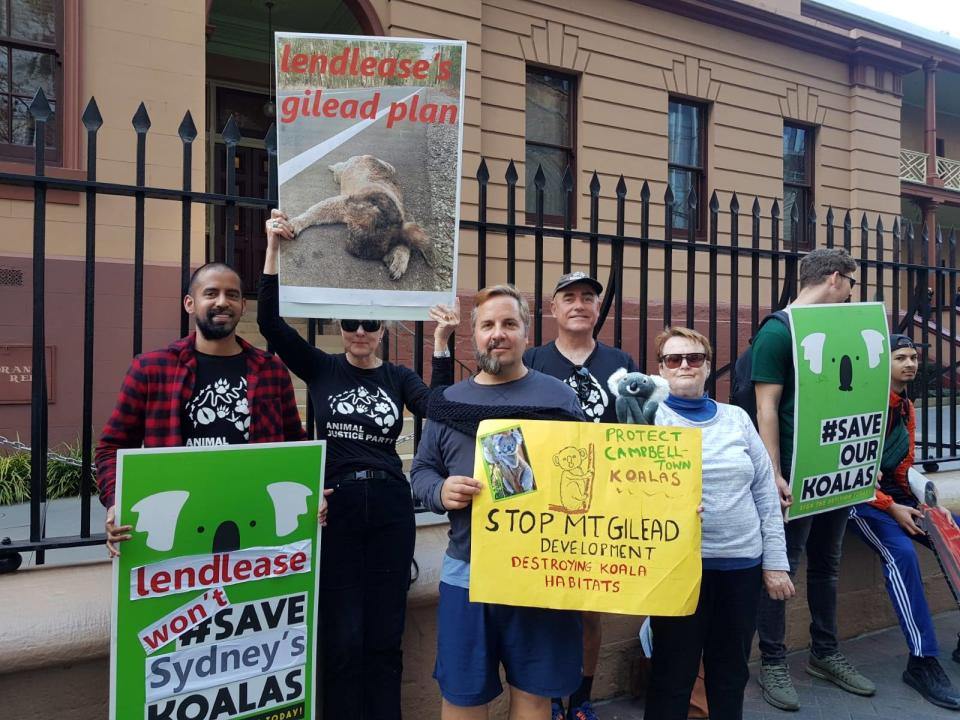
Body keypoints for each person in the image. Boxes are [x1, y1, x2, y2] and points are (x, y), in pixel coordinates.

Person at [260, 209, 459, 720]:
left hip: (391, 505)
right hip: (339, 505)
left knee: (384, 635)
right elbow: (268, 323)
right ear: (341, 327)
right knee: (344, 636)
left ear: (382, 329)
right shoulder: (322, 368)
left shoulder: (396, 376)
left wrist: (440, 346)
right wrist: (273, 249)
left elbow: (438, 408)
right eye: (351, 323)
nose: (360, 332)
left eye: (370, 324)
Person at [411, 283, 586, 720]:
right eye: (488, 324)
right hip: (468, 572)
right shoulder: (448, 402)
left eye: (509, 323)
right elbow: (421, 473)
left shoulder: (559, 398)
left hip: (541, 571)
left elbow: (593, 476)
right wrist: (440, 491)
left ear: (527, 333)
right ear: (474, 335)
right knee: (464, 694)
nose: (498, 333)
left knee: (534, 693)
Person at [95, 261, 312, 556]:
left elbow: (294, 442)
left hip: (253, 517)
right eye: (211, 293)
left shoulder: (270, 369)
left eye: (232, 295)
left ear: (243, 305)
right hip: (177, 523)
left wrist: (311, 491)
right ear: (190, 303)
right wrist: (117, 502)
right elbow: (113, 446)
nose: (222, 302)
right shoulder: (152, 368)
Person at [642, 327, 792, 720]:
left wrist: (776, 562)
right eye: (674, 360)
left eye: (694, 358)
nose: (685, 365)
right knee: (672, 674)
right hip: (678, 571)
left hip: (741, 567)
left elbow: (764, 492)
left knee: (730, 673)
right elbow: (628, 491)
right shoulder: (649, 421)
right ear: (661, 369)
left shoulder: (737, 418)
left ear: (708, 366)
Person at [753, 247, 876, 710]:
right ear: (837, 279)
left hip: (837, 472)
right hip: (797, 474)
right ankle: (773, 660)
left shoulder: (836, 329)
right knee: (786, 566)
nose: (849, 294)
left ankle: (825, 652)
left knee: (828, 563)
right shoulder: (778, 330)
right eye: (851, 284)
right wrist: (774, 472)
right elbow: (766, 407)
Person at [523, 270, 638, 720]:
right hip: (542, 505)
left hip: (602, 504)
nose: (579, 304)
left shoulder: (620, 362)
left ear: (597, 308)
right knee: (547, 606)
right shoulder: (532, 359)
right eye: (568, 297)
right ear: (553, 308)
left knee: (590, 609)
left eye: (588, 297)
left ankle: (580, 698)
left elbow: (637, 433)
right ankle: (548, 696)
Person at [848, 334, 960, 710]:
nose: (910, 363)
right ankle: (922, 660)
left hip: (898, 497)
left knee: (955, 533)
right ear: (883, 363)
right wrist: (889, 506)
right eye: (901, 357)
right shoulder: (862, 404)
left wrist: (929, 505)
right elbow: (849, 469)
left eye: (913, 357)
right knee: (902, 556)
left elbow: (904, 466)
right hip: (858, 502)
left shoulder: (906, 407)